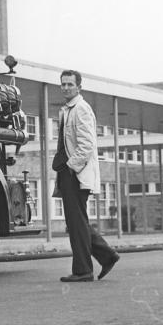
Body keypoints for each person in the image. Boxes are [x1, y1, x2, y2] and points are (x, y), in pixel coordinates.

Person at [54, 69, 120, 282]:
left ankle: (83, 270)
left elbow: (87, 145)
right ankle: (106, 256)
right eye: (63, 84)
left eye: (70, 84)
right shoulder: (67, 110)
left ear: (79, 87)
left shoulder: (81, 109)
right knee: (77, 222)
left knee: (77, 222)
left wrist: (71, 168)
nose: (66, 88)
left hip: (76, 172)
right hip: (70, 172)